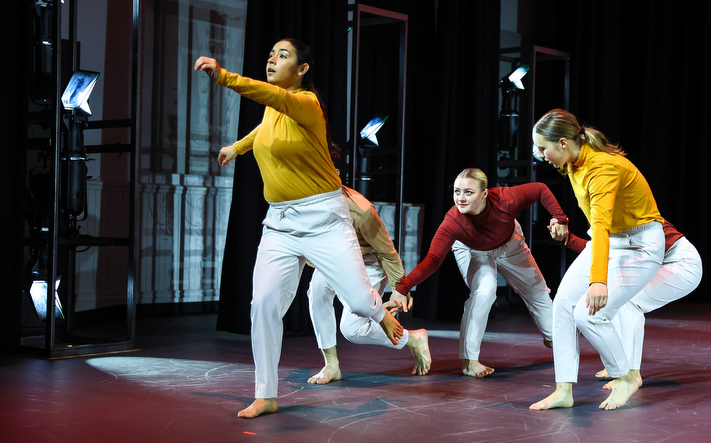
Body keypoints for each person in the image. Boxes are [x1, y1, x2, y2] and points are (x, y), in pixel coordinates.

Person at [194, 38, 403, 418]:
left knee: (359, 302)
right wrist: (236, 148)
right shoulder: (278, 109)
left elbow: (271, 100)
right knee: (263, 305)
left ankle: (382, 314)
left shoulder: (306, 104)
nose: (272, 59)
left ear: (303, 69)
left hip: (324, 217)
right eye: (270, 54)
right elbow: (264, 131)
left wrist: (224, 77)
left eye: (283, 55)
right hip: (280, 223)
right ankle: (266, 394)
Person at [529, 108, 665, 411]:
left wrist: (598, 280)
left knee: (589, 314)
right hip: (612, 241)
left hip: (639, 245)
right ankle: (564, 390)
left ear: (563, 143)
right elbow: (600, 228)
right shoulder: (573, 162)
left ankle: (626, 376)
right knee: (562, 306)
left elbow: (601, 226)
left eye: (543, 148)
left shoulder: (603, 167)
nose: (540, 154)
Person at [389, 167, 569, 377]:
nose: (461, 198)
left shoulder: (505, 199)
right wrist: (403, 288)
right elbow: (433, 260)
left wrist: (560, 219)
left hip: (510, 243)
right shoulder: (453, 221)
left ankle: (551, 336)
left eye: (468, 192)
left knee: (537, 292)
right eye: (457, 192)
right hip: (472, 250)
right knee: (484, 291)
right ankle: (469, 361)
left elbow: (540, 189)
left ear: (484, 194)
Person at [306, 149, 431, 384]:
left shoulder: (360, 210)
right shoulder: (305, 203)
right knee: (316, 292)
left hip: (367, 261)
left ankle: (412, 338)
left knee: (352, 329)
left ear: (334, 174)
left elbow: (387, 252)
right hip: (333, 260)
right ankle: (331, 364)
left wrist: (400, 289)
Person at [548, 218, 703, 388]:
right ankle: (620, 368)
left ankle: (631, 373)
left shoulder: (629, 211)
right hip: (662, 261)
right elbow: (596, 249)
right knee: (615, 298)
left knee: (630, 300)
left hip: (682, 263)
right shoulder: (601, 213)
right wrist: (566, 238)